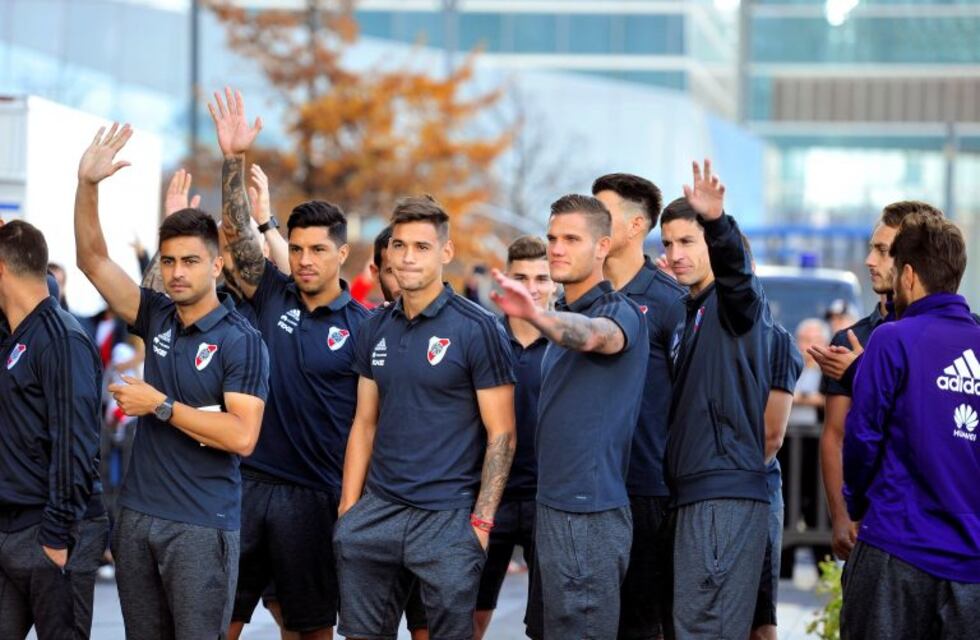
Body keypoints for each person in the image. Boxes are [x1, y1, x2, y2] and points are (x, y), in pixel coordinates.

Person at [74, 122, 270, 638]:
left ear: (217, 263)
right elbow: (92, 260)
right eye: (168, 261)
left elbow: (243, 435)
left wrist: (160, 405)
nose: (178, 271)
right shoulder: (156, 314)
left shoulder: (241, 339)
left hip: (201, 525)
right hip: (138, 517)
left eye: (190, 261)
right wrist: (87, 186)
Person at [207, 87, 370, 640]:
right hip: (248, 484)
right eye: (296, 249)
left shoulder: (366, 328)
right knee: (218, 621)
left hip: (315, 495)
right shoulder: (273, 294)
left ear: (341, 253)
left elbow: (374, 422)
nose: (303, 260)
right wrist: (234, 159)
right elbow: (236, 236)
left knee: (310, 629)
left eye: (317, 250)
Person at [335, 196, 516, 640]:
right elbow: (365, 423)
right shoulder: (375, 326)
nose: (408, 257)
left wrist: (481, 524)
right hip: (377, 512)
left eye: (421, 246)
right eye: (400, 246)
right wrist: (348, 511)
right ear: (388, 253)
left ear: (445, 253)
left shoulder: (477, 328)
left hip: (448, 520)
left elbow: (502, 433)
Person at [493, 194, 648, 639]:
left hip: (589, 512)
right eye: (553, 238)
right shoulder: (564, 314)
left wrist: (537, 315)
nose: (557, 248)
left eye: (572, 239)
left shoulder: (618, 311)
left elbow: (594, 338)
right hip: (554, 506)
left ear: (602, 246)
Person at [840, 213, 980, 638]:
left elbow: (862, 438)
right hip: (971, 565)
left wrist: (857, 505)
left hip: (896, 549)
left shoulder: (892, 339)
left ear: (910, 274)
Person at [659, 160, 771, 639]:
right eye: (667, 243)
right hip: (692, 493)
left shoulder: (733, 305)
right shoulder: (691, 310)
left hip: (722, 494)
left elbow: (738, 280)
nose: (676, 253)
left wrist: (718, 223)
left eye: (687, 241)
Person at [810, 201, 943, 561]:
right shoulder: (851, 339)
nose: (870, 260)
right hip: (874, 529)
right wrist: (840, 516)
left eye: (883, 251)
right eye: (872, 247)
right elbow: (835, 435)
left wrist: (861, 372)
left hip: (942, 531)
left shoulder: (960, 335)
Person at [0, 220, 108, 640]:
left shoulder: (62, 338)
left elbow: (76, 446)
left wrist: (57, 537)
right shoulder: (11, 334)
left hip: (53, 533)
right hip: (10, 527)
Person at [592, 172, 686, 640]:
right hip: (585, 490)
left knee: (640, 626)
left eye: (601, 216)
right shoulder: (580, 301)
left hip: (646, 491)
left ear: (634, 227)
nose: (591, 227)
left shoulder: (671, 303)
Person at [473, 235, 556, 640]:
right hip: (489, 497)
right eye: (521, 277)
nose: (532, 287)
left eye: (541, 278)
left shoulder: (565, 341)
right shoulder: (484, 338)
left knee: (547, 624)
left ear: (554, 282)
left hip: (548, 499)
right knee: (469, 614)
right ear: (507, 280)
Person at [752, 321, 804, 640]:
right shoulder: (690, 320)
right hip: (689, 491)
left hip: (753, 494)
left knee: (759, 624)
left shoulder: (775, 338)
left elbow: (772, 438)